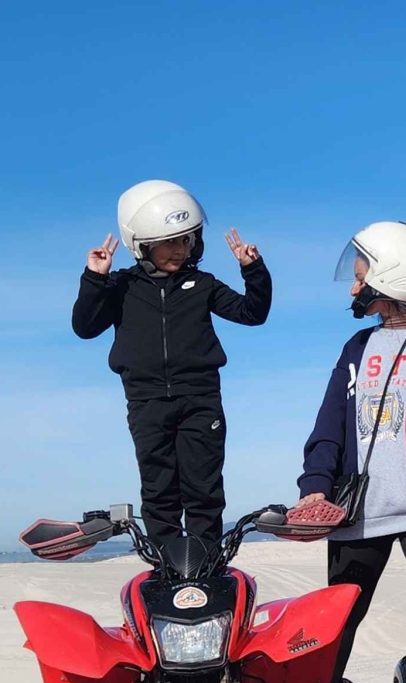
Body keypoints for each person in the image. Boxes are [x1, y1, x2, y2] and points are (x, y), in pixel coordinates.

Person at [295, 222, 406, 683]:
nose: (353, 287)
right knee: (336, 630)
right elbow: (329, 425)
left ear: (391, 280)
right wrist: (315, 487)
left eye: (360, 277)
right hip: (355, 514)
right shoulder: (355, 348)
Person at [71, 180, 272, 548]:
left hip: (201, 400)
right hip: (146, 403)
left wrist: (253, 270)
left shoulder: (203, 283)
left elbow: (252, 312)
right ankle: (167, 569)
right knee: (159, 492)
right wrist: (94, 279)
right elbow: (84, 328)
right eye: (171, 241)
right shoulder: (121, 287)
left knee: (204, 490)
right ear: (144, 243)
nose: (181, 249)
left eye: (187, 239)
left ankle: (205, 565)